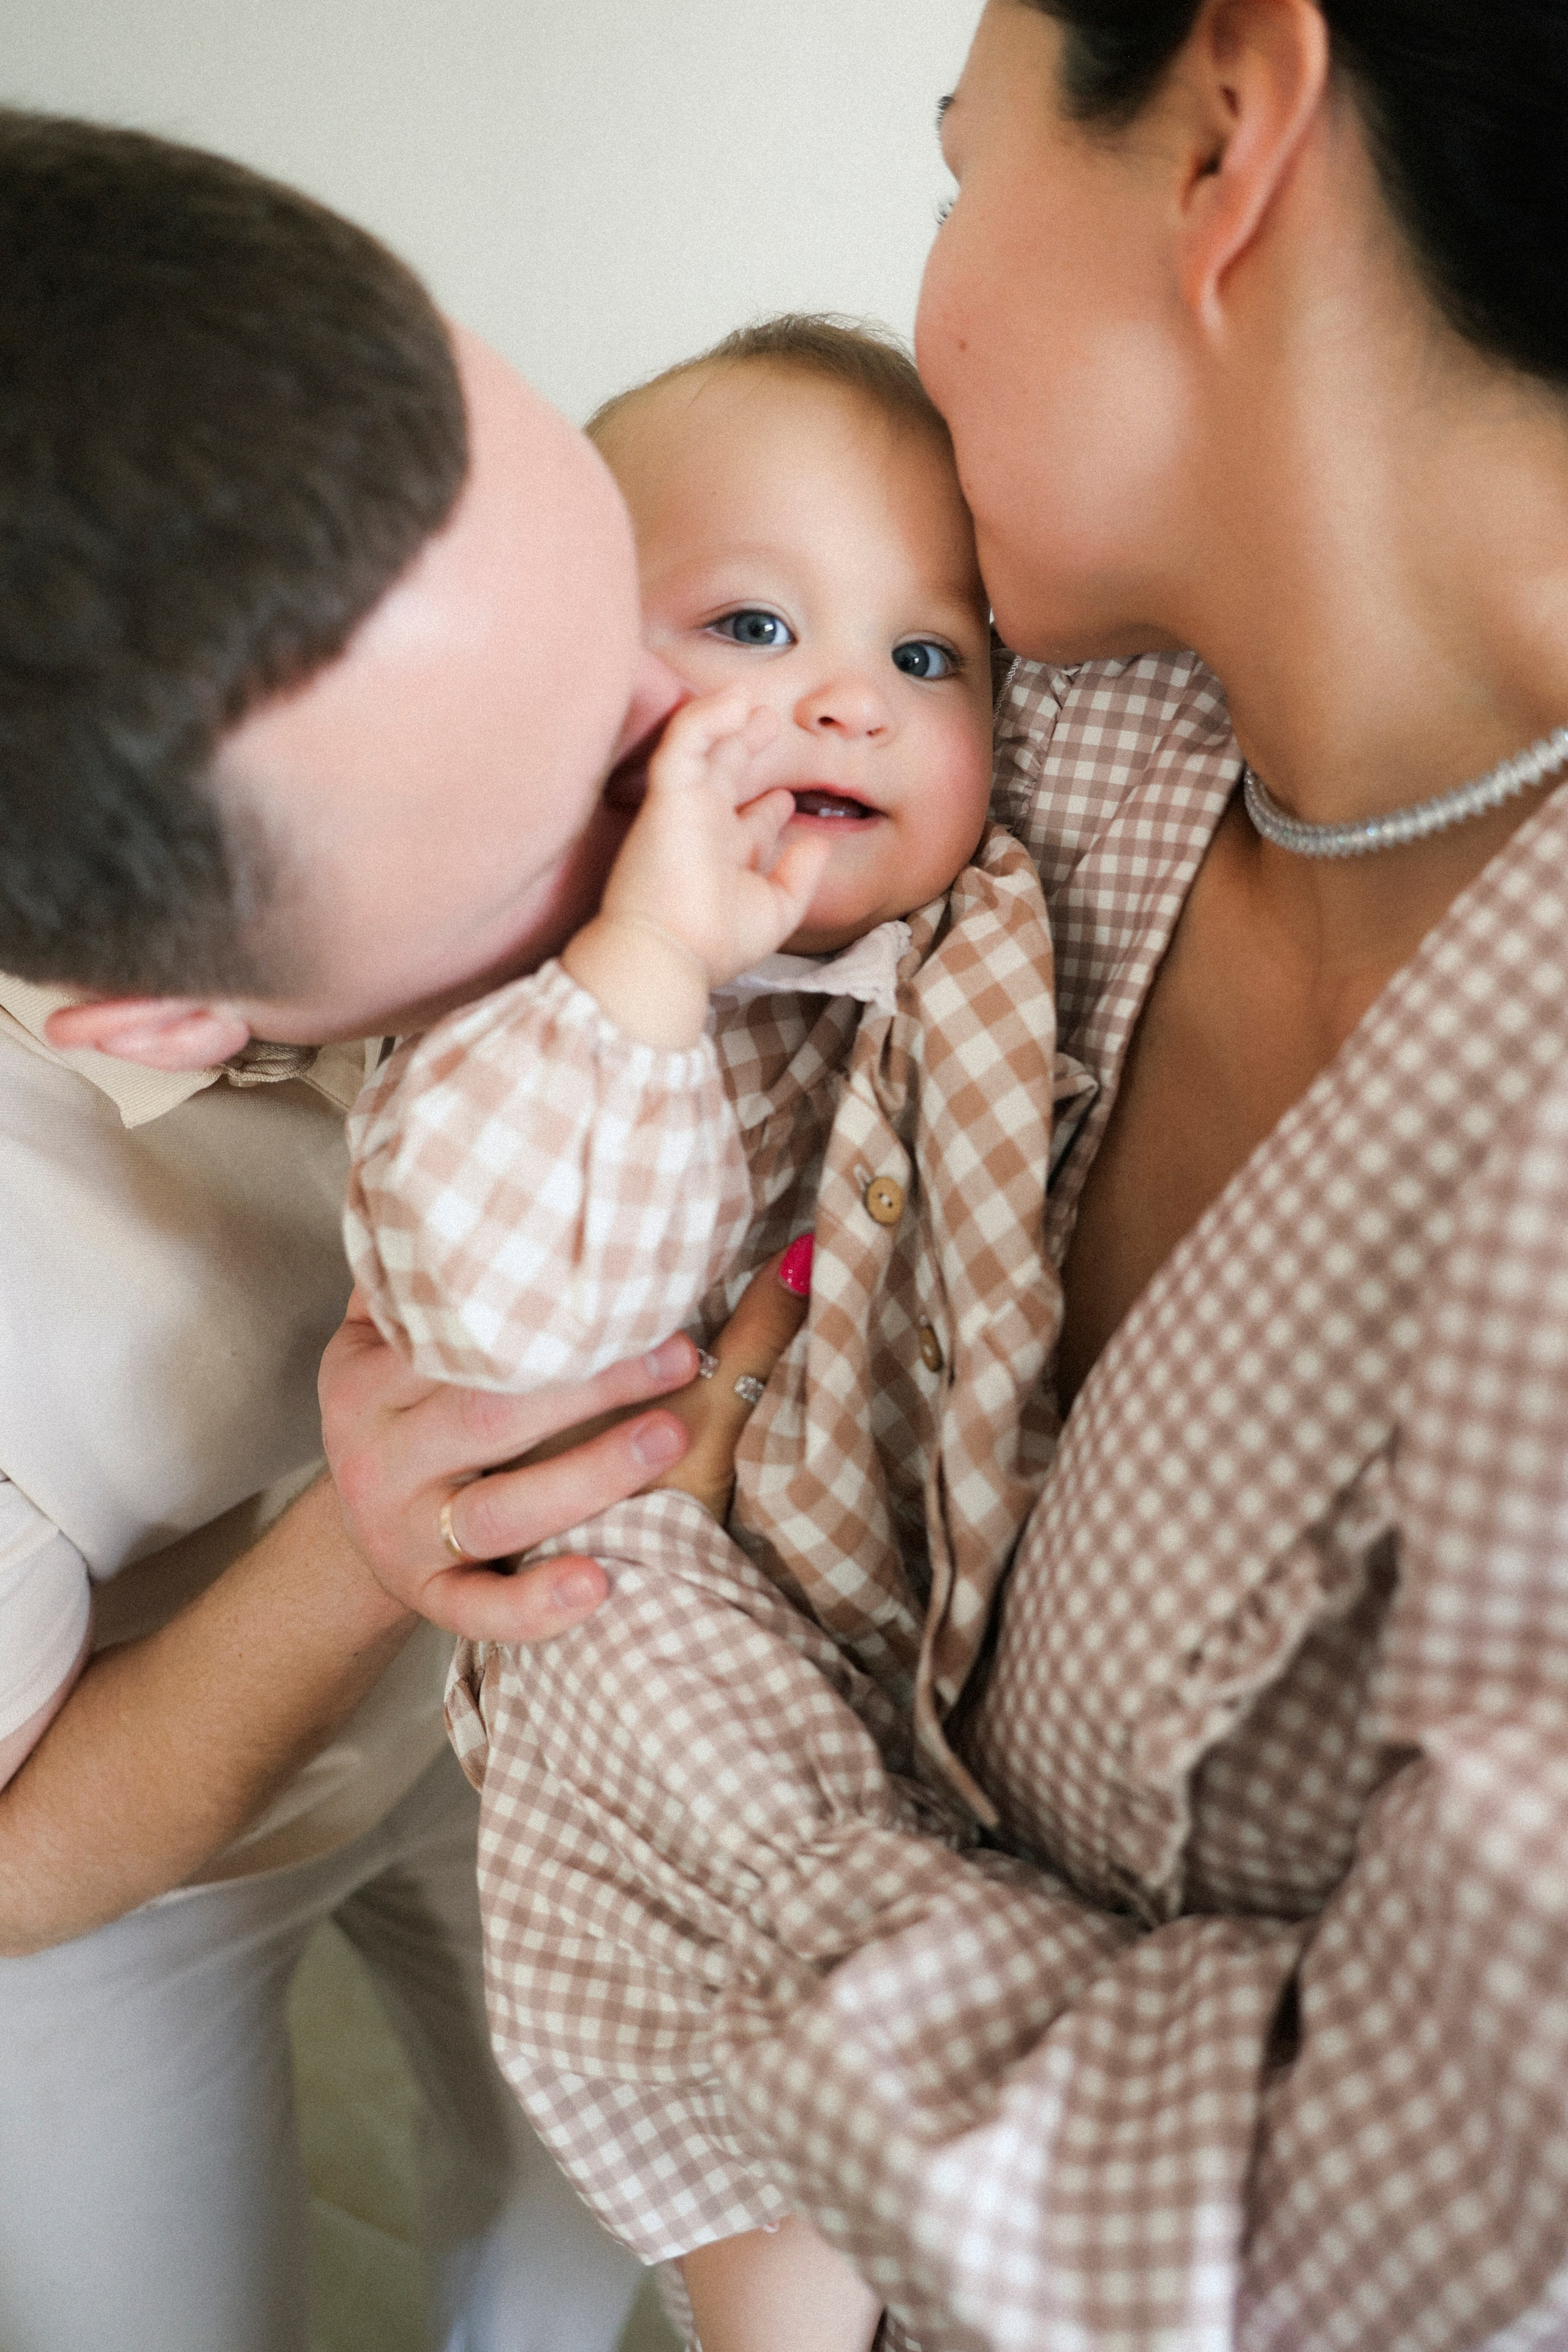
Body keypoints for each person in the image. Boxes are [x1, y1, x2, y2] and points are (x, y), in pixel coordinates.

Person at [301, 3, 1568, 2346]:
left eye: (962, 167)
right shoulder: (1053, 745)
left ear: (1224, 132)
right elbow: (477, 1041)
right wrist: (440, 1463)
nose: (929, 292)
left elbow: (1407, 2245)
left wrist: (640, 1602)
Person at [0, 105, 772, 2352]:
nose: (686, 754)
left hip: (505, 1738)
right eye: (565, 808)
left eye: (621, 601)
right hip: (124, 1876)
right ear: (175, 1015)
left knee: (559, 2245)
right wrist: (360, 1546)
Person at [341, 315, 1085, 2352]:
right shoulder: (546, 1003)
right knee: (768, 2245)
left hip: (915, 1676)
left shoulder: (972, 950)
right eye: (755, 624)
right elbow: (493, 1309)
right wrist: (656, 956)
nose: (849, 693)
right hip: (648, 1669)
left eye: (935, 660)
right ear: (588, 689)